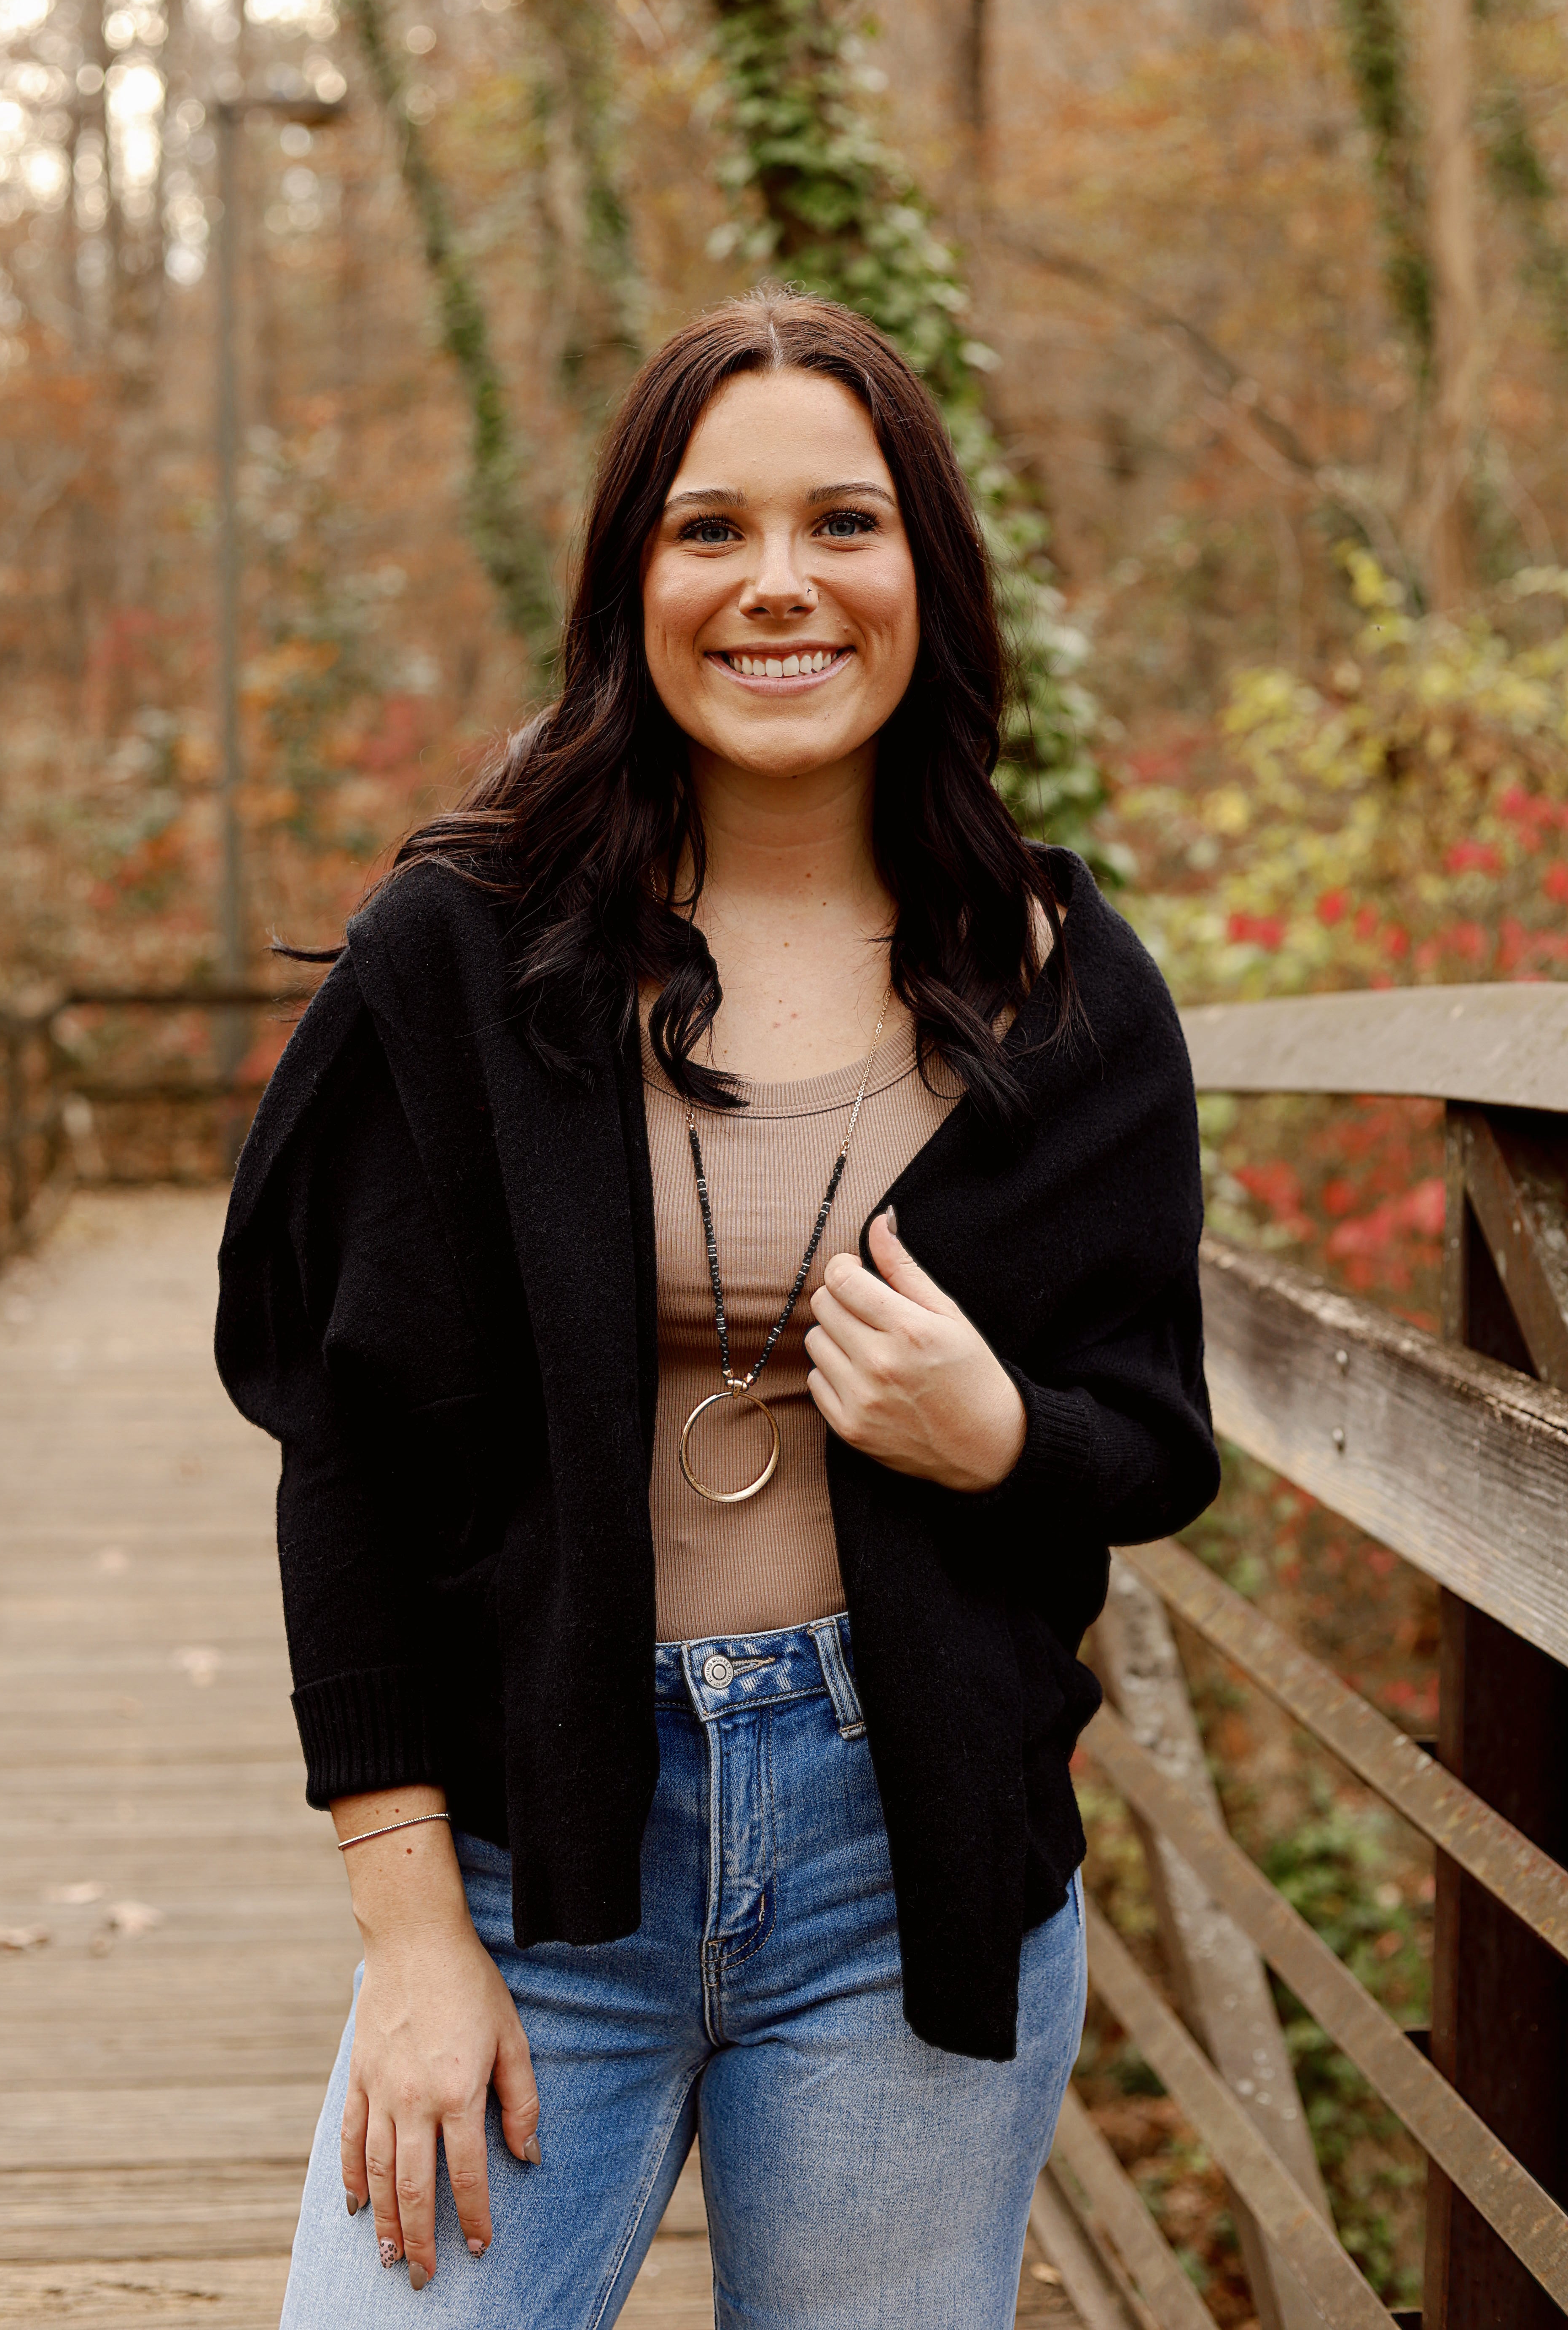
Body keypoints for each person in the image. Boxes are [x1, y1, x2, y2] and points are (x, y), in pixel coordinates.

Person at [216, 288, 1219, 2328]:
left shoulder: (1062, 983)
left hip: (908, 1871)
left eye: (843, 523)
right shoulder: (463, 957)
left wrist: (1000, 1435)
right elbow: (351, 1459)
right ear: (630, 583)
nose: (780, 584)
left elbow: (1154, 1444)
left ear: (927, 573)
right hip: (528, 1856)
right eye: (710, 529)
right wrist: (410, 1935)